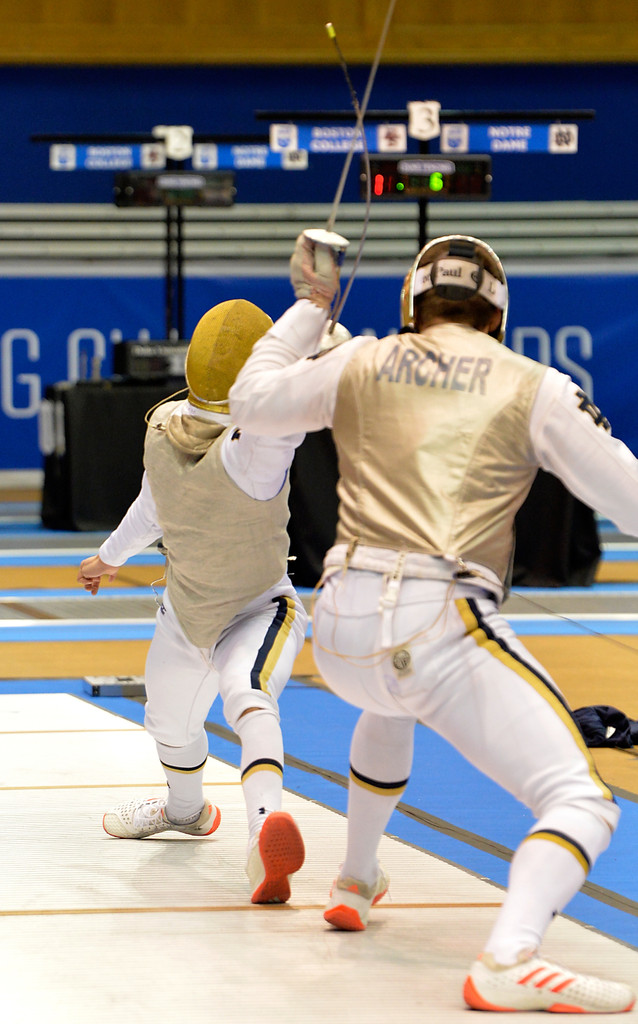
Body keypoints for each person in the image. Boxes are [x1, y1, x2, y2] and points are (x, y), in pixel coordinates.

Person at [229, 231, 638, 1011]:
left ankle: (354, 878)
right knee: (579, 799)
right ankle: (509, 959)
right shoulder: (536, 384)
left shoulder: (361, 358)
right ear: (497, 312)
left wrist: (310, 309)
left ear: (414, 300)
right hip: (437, 621)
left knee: (389, 703)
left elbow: (250, 405)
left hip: (341, 629)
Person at [77, 296, 325, 905]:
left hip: (258, 609)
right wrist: (110, 556)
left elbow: (302, 404)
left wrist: (312, 339)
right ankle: (186, 813)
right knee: (166, 720)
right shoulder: (166, 430)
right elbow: (153, 506)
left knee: (248, 692)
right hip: (186, 612)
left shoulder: (256, 442)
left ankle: (264, 832)